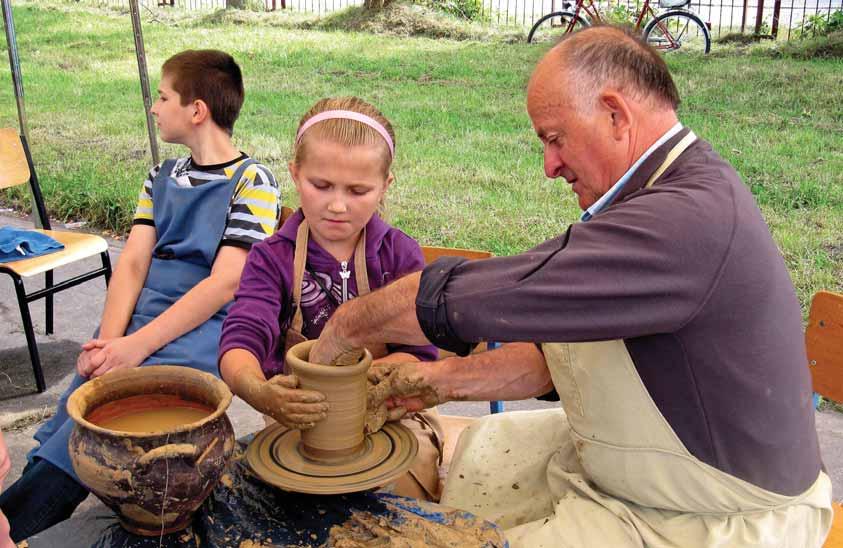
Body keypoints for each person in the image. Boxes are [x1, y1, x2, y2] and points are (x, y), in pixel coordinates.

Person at [309, 26, 832, 547]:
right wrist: (438, 379)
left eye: (554, 138)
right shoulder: (666, 191)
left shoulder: (688, 218)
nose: (549, 166)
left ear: (615, 114)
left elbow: (490, 295)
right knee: (469, 457)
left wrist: (346, 326)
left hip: (716, 515)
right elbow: (556, 357)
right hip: (649, 471)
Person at [0, 49, 280, 542]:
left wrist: (135, 348)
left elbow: (225, 283)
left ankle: (14, 521)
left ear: (197, 110)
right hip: (140, 321)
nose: (154, 107)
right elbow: (132, 262)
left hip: (204, 328)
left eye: (163, 95)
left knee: (90, 437)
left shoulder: (253, 182)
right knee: (78, 410)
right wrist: (107, 344)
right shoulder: (160, 175)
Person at [218, 96, 443, 501]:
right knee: (276, 501)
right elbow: (240, 340)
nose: (337, 205)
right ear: (295, 174)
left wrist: (347, 390)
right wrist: (257, 390)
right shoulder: (272, 258)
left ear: (385, 187)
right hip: (296, 420)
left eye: (359, 190)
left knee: (408, 480)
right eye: (320, 186)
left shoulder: (400, 255)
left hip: (389, 412)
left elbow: (421, 356)